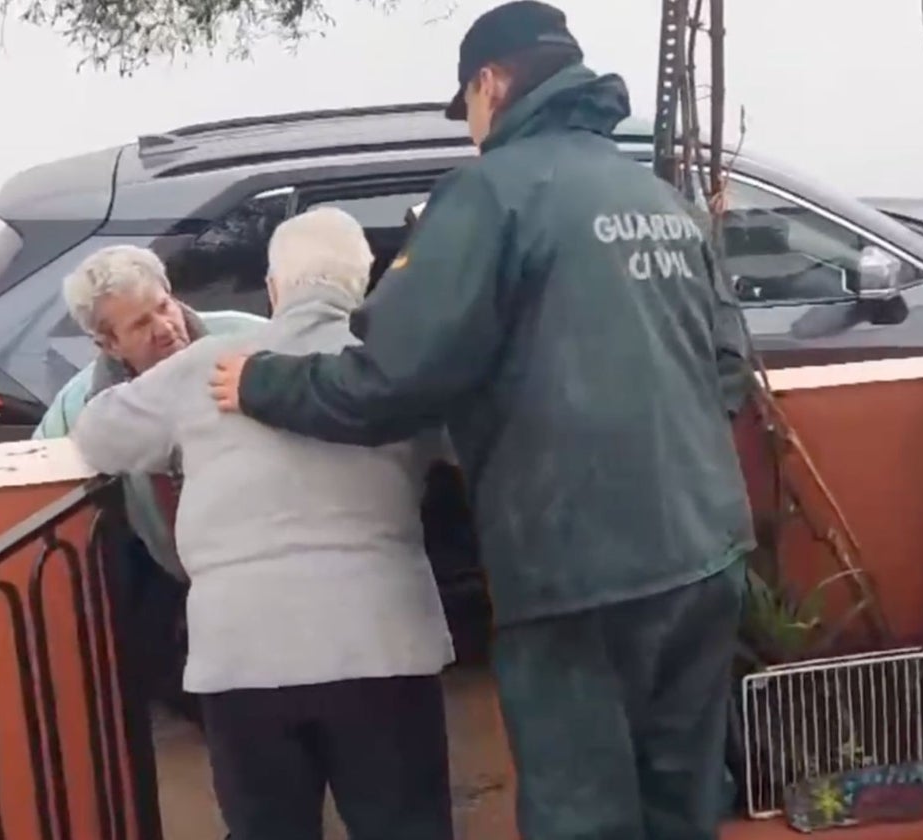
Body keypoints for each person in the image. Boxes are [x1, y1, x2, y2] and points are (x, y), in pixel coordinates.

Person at [208, 3, 755, 839]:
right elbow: (728, 369)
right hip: (704, 550)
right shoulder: (656, 195)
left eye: (464, 105)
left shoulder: (489, 195)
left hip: (579, 568)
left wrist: (262, 383)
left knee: (585, 810)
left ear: (491, 83)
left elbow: (390, 380)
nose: (468, 127)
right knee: (679, 801)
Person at [72, 207, 456, 840]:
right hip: (382, 643)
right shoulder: (392, 367)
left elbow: (98, 436)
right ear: (359, 285)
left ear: (274, 290)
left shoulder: (211, 363)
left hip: (241, 656)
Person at [36, 244, 261, 723]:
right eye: (140, 325)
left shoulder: (250, 339)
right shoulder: (81, 406)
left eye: (164, 307)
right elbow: (36, 471)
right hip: (184, 583)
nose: (164, 328)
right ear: (107, 345)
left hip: (271, 573)